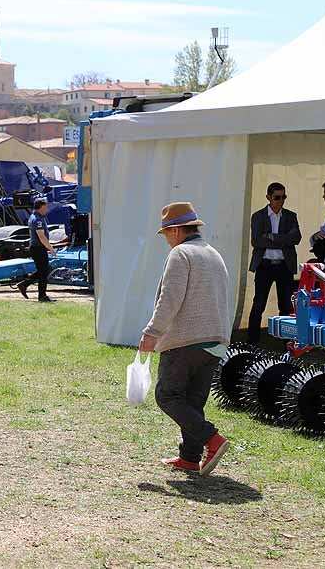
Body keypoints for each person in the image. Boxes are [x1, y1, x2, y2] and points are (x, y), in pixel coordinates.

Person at [139, 202, 231, 476]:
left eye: (166, 233)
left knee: (167, 395)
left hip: (186, 340)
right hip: (215, 341)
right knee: (192, 403)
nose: (166, 239)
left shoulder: (181, 254)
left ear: (176, 230)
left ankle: (212, 439)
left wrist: (152, 332)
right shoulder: (213, 253)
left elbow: (170, 297)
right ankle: (190, 458)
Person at [247, 182, 301, 345]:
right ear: (268, 197)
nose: (281, 200)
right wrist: (283, 240)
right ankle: (252, 342)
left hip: (284, 266)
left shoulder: (290, 216)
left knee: (286, 305)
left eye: (283, 197)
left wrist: (272, 237)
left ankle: (287, 342)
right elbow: (257, 241)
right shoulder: (258, 216)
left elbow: (296, 238)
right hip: (264, 265)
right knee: (259, 304)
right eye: (277, 197)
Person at [14, 197, 56, 302]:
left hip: (38, 248)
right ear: (41, 207)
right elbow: (41, 236)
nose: (47, 209)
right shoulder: (37, 220)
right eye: (45, 207)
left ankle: (24, 284)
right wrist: (50, 248)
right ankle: (42, 296)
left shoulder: (37, 217)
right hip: (38, 248)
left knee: (43, 271)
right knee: (44, 272)